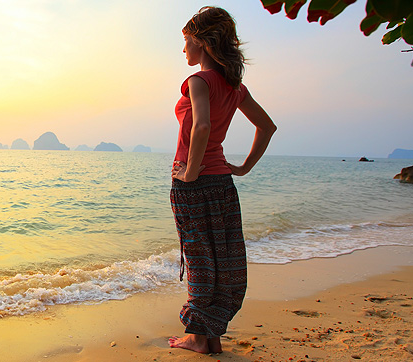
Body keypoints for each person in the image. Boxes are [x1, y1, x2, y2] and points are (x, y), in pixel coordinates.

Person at [168, 6, 277, 354]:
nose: (183, 50)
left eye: (186, 42)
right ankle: (211, 335)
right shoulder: (234, 87)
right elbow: (267, 127)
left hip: (195, 183)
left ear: (201, 41)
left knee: (200, 258)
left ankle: (198, 338)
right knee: (223, 259)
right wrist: (243, 168)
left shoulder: (198, 81)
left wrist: (189, 171)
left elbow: (200, 127)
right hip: (223, 185)